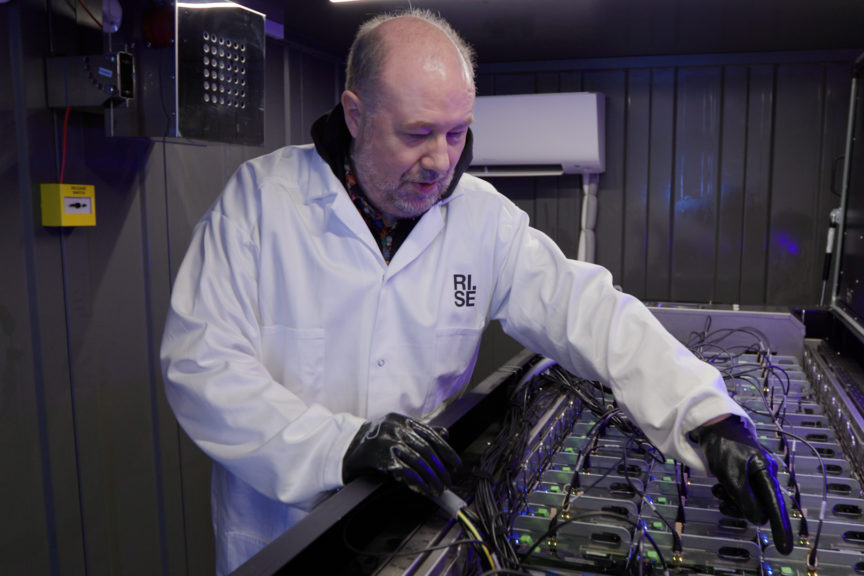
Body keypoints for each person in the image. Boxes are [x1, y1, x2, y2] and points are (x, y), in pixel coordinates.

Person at [160, 8, 791, 575]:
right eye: (416, 133)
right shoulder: (262, 204)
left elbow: (587, 311)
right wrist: (339, 446)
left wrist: (707, 415)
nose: (440, 160)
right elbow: (202, 367)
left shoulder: (480, 218)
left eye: (458, 132)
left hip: (411, 536)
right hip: (283, 534)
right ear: (355, 115)